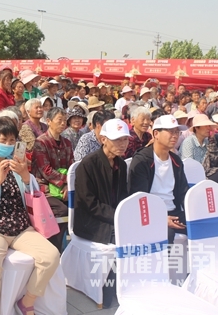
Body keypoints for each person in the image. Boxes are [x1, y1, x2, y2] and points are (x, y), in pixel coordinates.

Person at [0, 117, 60, 315]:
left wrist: (25, 176)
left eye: (12, 140)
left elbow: (33, 195)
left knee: (51, 256)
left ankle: (27, 301)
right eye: (3, 140)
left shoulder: (18, 163)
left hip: (21, 227)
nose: (8, 145)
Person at [74, 119, 130, 308]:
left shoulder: (121, 165)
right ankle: (108, 289)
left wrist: (123, 215)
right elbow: (89, 203)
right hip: (90, 221)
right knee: (120, 238)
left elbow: (123, 196)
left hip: (113, 218)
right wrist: (117, 217)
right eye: (117, 140)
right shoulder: (88, 164)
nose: (122, 144)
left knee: (135, 234)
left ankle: (128, 285)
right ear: (104, 139)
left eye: (125, 139)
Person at [128, 115, 189, 245]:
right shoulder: (142, 160)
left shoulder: (176, 160)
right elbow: (139, 197)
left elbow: (184, 191)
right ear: (156, 134)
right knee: (166, 234)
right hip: (149, 214)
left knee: (203, 222)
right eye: (170, 131)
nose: (175, 136)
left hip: (174, 212)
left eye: (177, 132)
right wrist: (160, 218)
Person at [31, 107, 73, 251]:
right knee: (62, 210)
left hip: (64, 188)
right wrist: (64, 183)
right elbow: (46, 170)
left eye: (65, 120)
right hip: (44, 189)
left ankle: (73, 248)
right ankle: (54, 248)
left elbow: (72, 167)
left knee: (81, 205)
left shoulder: (67, 143)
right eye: (59, 120)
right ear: (48, 121)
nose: (63, 123)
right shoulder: (41, 143)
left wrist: (68, 186)